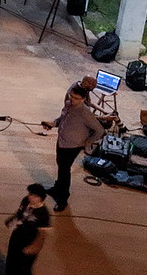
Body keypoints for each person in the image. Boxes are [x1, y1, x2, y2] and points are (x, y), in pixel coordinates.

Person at [42, 83, 106, 211]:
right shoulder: (68, 104)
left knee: (65, 170)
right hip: (62, 141)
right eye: (71, 96)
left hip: (72, 146)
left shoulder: (85, 112)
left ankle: (63, 199)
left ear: (83, 99)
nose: (71, 99)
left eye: (76, 98)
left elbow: (99, 130)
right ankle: (57, 188)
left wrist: (86, 143)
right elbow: (62, 119)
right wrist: (53, 123)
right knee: (61, 166)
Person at [3, 183, 52, 275]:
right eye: (30, 195)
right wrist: (11, 220)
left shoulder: (43, 214)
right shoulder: (26, 201)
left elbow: (42, 234)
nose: (31, 198)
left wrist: (35, 247)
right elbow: (19, 213)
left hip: (29, 241)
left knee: (24, 268)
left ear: (41, 198)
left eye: (35, 196)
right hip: (17, 236)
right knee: (12, 262)